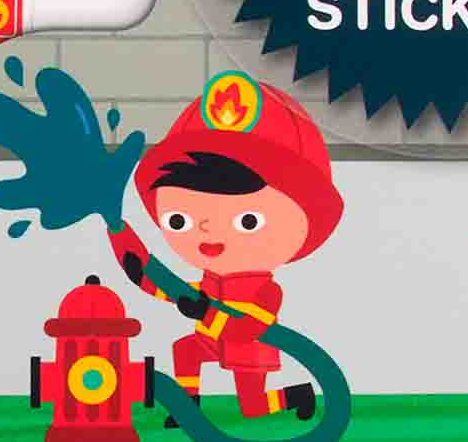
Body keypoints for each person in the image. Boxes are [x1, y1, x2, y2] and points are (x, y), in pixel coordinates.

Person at [109, 72, 343, 423]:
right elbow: (160, 285)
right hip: (209, 339)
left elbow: (244, 330)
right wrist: (121, 239)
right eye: (180, 220)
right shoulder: (208, 282)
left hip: (249, 351)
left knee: (253, 408)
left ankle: (298, 395)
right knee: (185, 350)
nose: (208, 229)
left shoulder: (267, 292)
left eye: (248, 221)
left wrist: (204, 312)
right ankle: (189, 405)